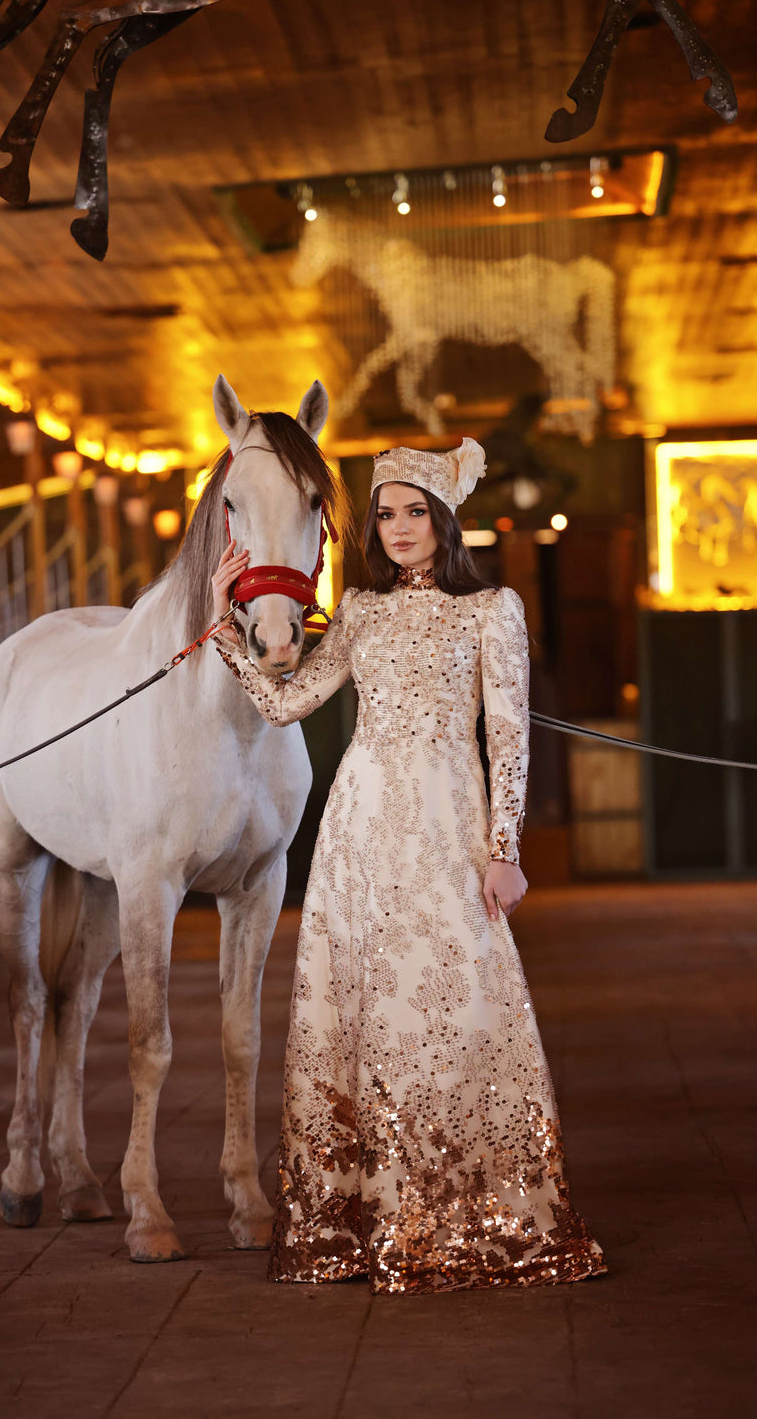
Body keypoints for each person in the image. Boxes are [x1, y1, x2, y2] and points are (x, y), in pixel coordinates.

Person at [210, 438, 605, 1295]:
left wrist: (506, 851)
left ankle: (461, 1207)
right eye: (384, 514)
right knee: (355, 1011)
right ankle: (358, 1216)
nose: (396, 528)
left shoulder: (491, 609)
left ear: (444, 520)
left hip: (444, 824)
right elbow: (287, 704)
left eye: (413, 512)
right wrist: (226, 627)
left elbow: (508, 735)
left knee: (455, 1001)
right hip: (358, 828)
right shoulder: (358, 609)